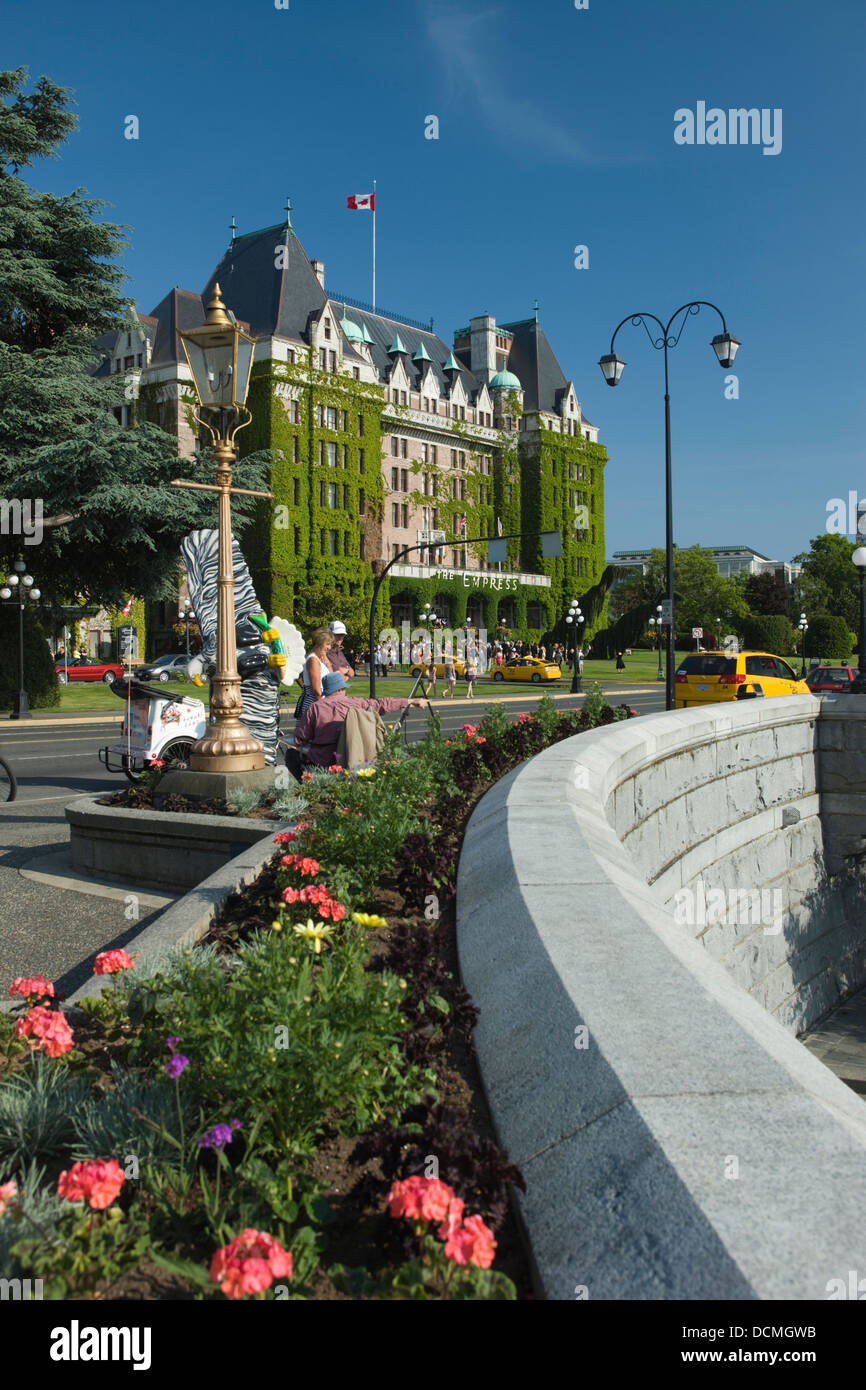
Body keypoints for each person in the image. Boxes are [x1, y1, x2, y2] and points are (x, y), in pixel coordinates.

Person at [292, 672, 425, 769]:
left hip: (323, 759)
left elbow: (300, 738)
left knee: (291, 756)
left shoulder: (314, 708)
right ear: (340, 689)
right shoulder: (356, 703)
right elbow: (382, 704)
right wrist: (411, 701)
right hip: (352, 756)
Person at [299, 628, 333, 717]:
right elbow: (316, 690)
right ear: (319, 643)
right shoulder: (313, 660)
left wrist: (327, 661)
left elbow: (332, 677)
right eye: (327, 644)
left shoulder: (318, 659)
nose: (329, 648)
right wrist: (325, 706)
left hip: (320, 701)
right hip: (315, 702)